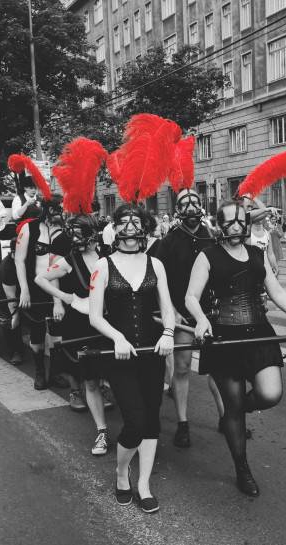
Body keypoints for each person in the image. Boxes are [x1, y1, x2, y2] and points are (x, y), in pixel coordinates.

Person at [185, 199, 286, 497]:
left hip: (259, 332)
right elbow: (191, 297)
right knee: (234, 409)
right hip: (223, 336)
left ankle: (233, 412)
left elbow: (275, 292)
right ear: (218, 225)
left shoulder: (257, 253)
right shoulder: (207, 255)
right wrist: (199, 320)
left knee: (271, 394)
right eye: (229, 222)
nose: (235, 227)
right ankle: (241, 467)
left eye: (239, 222)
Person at [89, 203, 175, 513]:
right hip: (119, 354)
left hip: (153, 352)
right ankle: (121, 472)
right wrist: (117, 337)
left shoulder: (156, 264)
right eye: (123, 223)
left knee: (152, 419)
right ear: (115, 230)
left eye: (135, 222)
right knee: (135, 420)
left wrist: (168, 332)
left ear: (144, 229)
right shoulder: (102, 266)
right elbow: (95, 315)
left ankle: (144, 484)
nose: (129, 229)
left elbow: (167, 307)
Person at [35, 215, 113, 455]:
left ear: (93, 235)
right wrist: (66, 298)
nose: (77, 239)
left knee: (115, 374)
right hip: (82, 325)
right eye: (74, 233)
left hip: (110, 324)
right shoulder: (69, 261)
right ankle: (102, 432)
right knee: (89, 379)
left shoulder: (109, 256)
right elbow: (40, 278)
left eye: (81, 233)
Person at [155, 188, 215, 447]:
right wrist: (172, 311)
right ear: (177, 210)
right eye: (184, 203)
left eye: (195, 202)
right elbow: (159, 280)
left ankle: (227, 416)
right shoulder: (167, 242)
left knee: (219, 369)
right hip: (180, 315)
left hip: (210, 313)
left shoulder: (211, 237)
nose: (191, 207)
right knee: (181, 368)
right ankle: (182, 422)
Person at [14, 195, 73, 394]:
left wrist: (58, 301)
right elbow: (19, 260)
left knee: (58, 331)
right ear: (49, 210)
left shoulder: (63, 232)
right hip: (34, 287)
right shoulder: (29, 228)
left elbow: (56, 266)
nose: (64, 213)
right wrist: (24, 289)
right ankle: (39, 371)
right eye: (60, 210)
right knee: (38, 331)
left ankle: (55, 372)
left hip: (57, 287)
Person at [0, 237, 24, 365]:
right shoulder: (8, 266)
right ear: (13, 253)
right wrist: (15, 316)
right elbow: (11, 297)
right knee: (11, 317)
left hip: (18, 284)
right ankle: (15, 351)